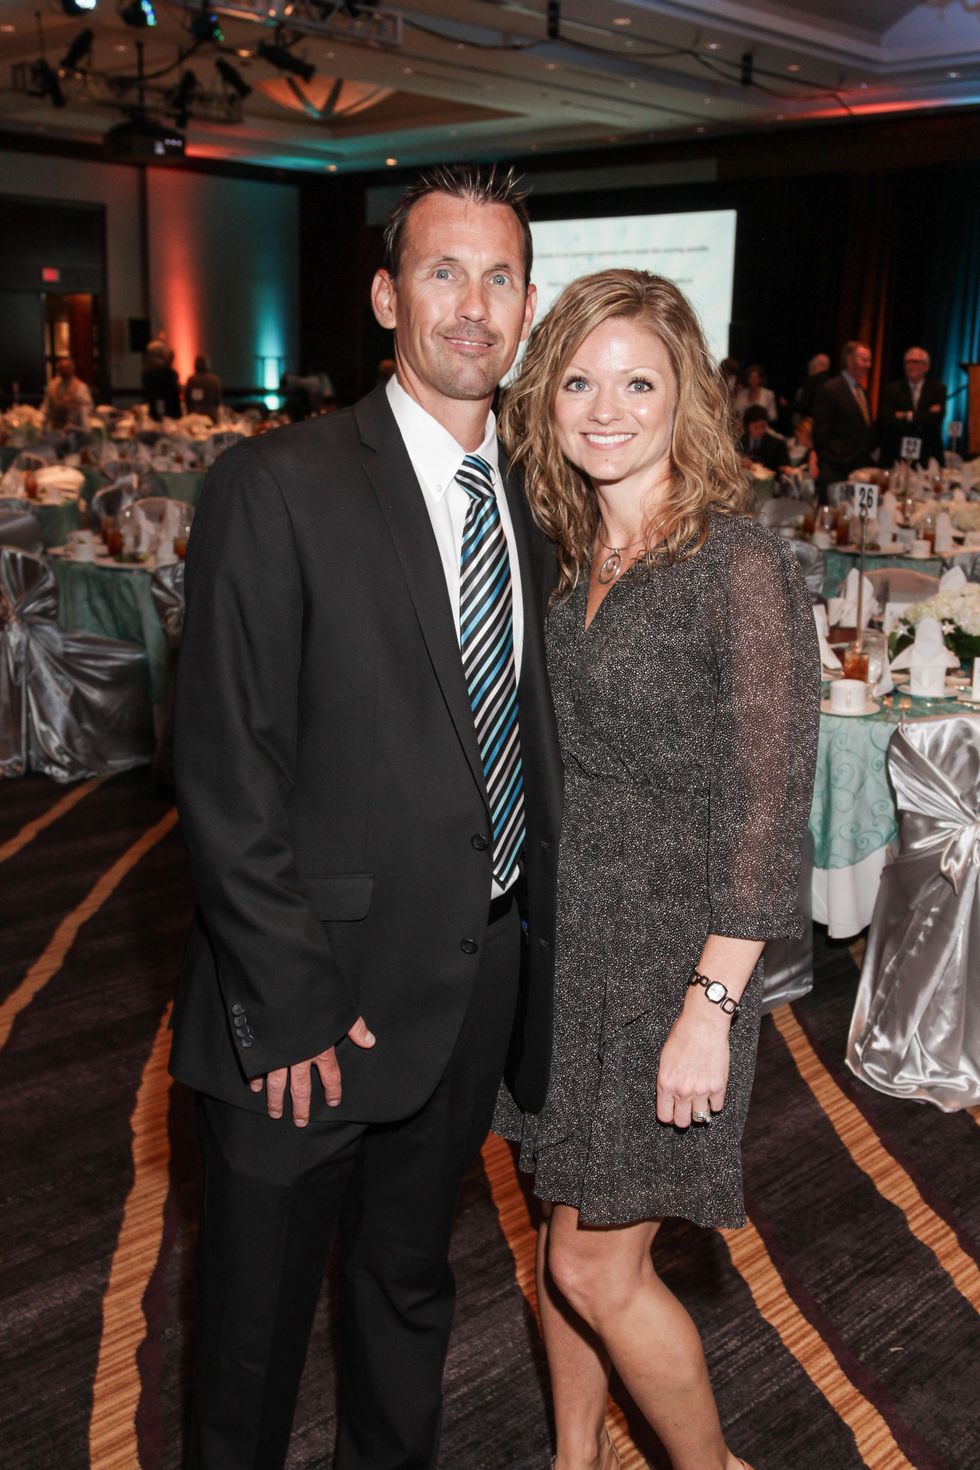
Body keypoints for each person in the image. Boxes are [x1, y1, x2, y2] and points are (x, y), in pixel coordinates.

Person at [170, 163, 562, 1470]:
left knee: (408, 1295)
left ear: (526, 303)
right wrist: (281, 1002)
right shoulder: (277, 485)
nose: (473, 305)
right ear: (389, 294)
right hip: (304, 1009)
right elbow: (228, 769)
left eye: (498, 276)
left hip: (471, 985)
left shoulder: (540, 503)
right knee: (250, 1340)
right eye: (443, 272)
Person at [495, 269, 819, 1470]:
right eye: (577, 380)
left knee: (596, 1260)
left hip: (673, 963)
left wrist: (711, 1005)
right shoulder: (570, 551)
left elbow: (770, 801)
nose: (604, 407)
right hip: (567, 949)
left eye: (636, 380)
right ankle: (575, 1458)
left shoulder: (735, 565)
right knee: (555, 1231)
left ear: (682, 392)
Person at [812, 340, 877, 497]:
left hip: (859, 468)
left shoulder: (864, 392)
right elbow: (820, 432)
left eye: (870, 360)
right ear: (849, 360)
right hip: (836, 469)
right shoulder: (831, 389)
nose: (868, 365)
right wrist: (831, 460)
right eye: (864, 360)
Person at [878, 346, 946, 468]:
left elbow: (936, 420)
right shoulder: (892, 390)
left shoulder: (938, 389)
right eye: (907, 362)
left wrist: (906, 415)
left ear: (926, 367)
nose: (910, 365)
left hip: (928, 453)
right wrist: (925, 415)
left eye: (915, 362)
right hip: (896, 453)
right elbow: (888, 420)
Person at [41, 355, 92, 429]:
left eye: (67, 368)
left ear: (72, 368)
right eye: (62, 368)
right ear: (58, 369)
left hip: (74, 429)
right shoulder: (52, 386)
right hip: (55, 428)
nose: (65, 370)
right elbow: (46, 407)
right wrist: (41, 420)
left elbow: (87, 409)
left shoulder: (80, 387)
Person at [738, 403, 787, 473]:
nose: (760, 431)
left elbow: (782, 472)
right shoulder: (739, 441)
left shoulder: (777, 445)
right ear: (747, 426)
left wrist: (754, 466)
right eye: (755, 427)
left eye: (763, 426)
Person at [142, 342, 182, 420]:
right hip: (168, 411)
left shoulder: (146, 370)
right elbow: (173, 391)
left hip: (154, 409)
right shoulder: (165, 371)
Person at [792, 352, 831, 424]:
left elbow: (803, 406)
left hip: (811, 425)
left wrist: (790, 405)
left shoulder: (810, 382)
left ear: (816, 366)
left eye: (811, 366)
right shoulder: (834, 383)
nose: (810, 369)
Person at [184, 353, 222, 421]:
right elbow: (217, 401)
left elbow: (187, 400)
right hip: (211, 417)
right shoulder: (215, 380)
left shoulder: (191, 380)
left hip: (194, 416)